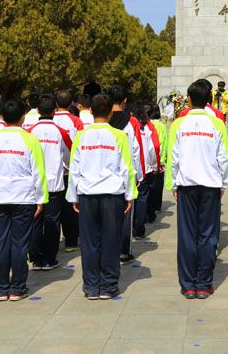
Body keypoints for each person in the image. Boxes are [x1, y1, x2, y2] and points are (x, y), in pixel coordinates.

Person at [67, 93, 137, 300]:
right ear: (109, 113)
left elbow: (75, 169)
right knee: (110, 240)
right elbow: (127, 168)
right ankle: (108, 285)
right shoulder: (118, 136)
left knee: (89, 242)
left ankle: (91, 286)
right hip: (112, 195)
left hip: (88, 194)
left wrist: (74, 196)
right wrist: (130, 195)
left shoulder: (82, 135)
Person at [0, 99, 47, 301]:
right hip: (23, 198)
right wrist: (40, 199)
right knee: (19, 244)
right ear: (23, 117)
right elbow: (38, 173)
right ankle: (17, 288)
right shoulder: (30, 140)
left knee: (0, 243)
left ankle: (1, 289)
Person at [167, 81, 228, 299]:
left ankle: (188, 284)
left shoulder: (180, 125)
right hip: (210, 185)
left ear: (189, 99)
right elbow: (223, 158)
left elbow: (174, 158)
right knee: (207, 235)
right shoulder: (217, 124)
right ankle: (204, 283)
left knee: (187, 235)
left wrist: (174, 184)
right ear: (210, 101)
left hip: (187, 185)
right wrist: (223, 184)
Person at [28, 94, 72, 271]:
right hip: (54, 184)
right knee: (52, 222)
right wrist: (67, 167)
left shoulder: (30, 131)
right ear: (55, 109)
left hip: (34, 185)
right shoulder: (60, 132)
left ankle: (36, 258)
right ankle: (49, 259)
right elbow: (70, 154)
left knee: (35, 221)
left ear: (37, 110)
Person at [108, 84, 146, 263]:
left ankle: (108, 251)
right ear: (125, 101)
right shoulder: (130, 124)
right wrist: (137, 175)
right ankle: (124, 251)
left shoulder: (101, 120)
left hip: (102, 174)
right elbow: (135, 150)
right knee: (125, 212)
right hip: (123, 175)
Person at [53, 90, 84, 252]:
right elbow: (78, 146)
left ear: (56, 104)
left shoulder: (49, 120)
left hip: (52, 172)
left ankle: (53, 241)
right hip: (68, 171)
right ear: (71, 103)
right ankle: (71, 242)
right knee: (69, 209)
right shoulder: (76, 122)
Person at [131, 103, 160, 238]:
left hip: (130, 169)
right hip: (145, 168)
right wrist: (155, 166)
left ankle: (130, 226)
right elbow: (154, 147)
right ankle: (139, 228)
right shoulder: (148, 127)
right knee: (142, 199)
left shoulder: (128, 125)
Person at [148, 105, 168, 221]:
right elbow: (163, 144)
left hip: (148, 160)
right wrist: (163, 160)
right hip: (159, 158)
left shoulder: (146, 125)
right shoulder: (161, 126)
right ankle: (157, 206)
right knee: (158, 184)